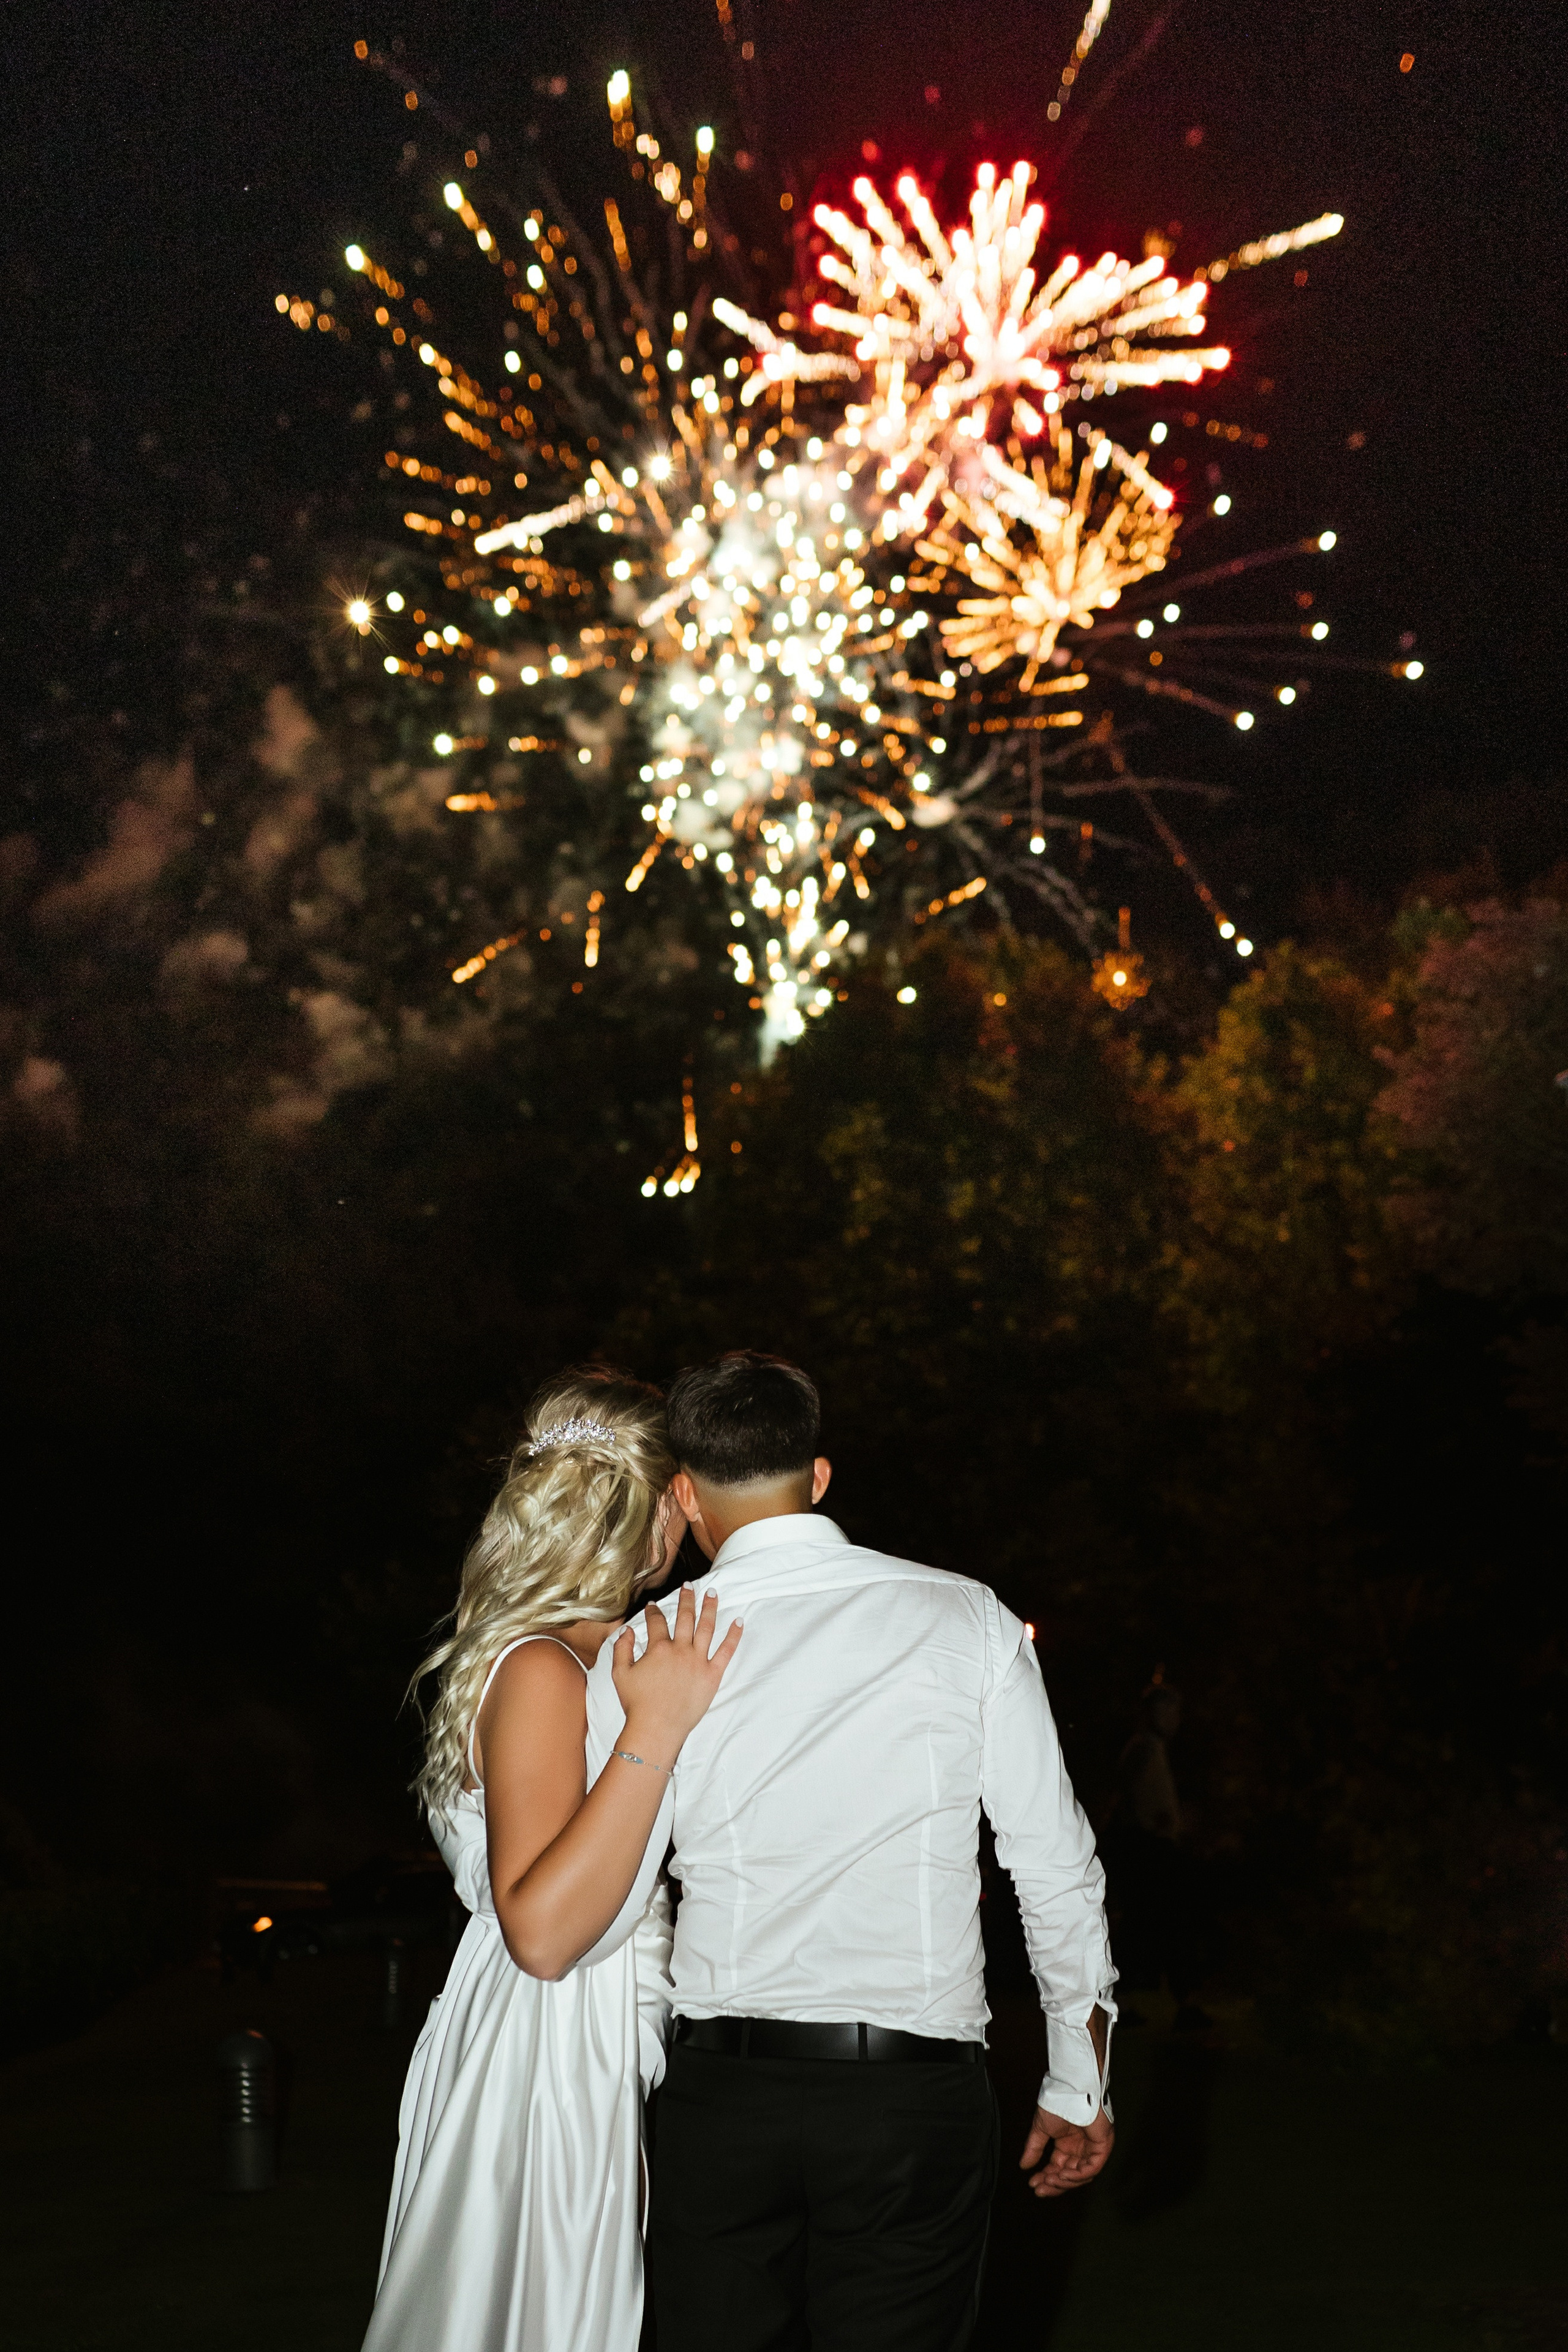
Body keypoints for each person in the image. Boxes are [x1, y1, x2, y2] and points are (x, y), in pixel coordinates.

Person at [585, 1351, 1117, 2352]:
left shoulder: (645, 1646)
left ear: (684, 1494)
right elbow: (1052, 1865)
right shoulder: (967, 1619)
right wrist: (1073, 2082)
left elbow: (625, 1896)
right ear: (818, 1476)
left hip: (717, 2096)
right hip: (905, 2102)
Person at [362, 1368, 741, 2352]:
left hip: (575, 2032)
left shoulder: (580, 1652)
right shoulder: (540, 1666)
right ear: (654, 1507)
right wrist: (656, 1726)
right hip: (546, 2052)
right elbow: (538, 1930)